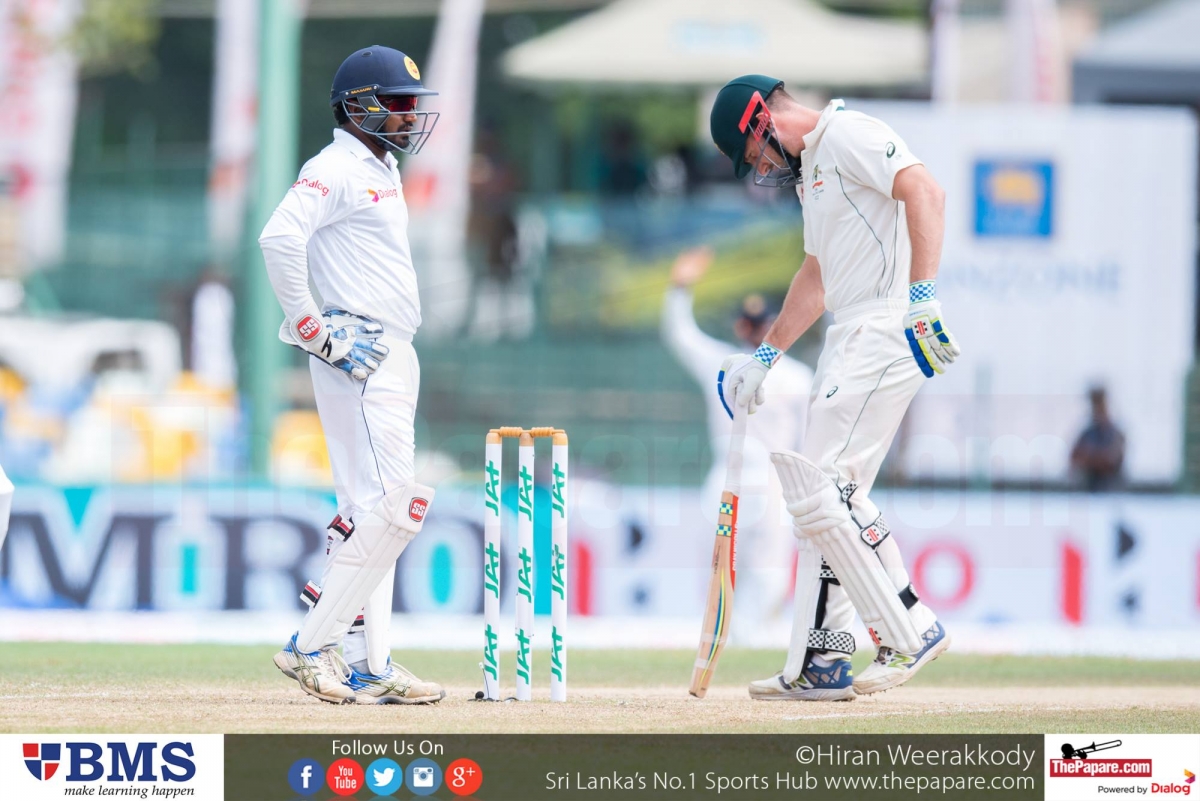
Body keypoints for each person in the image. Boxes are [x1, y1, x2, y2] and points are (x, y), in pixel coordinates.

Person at [709, 75, 961, 701]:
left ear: (760, 116)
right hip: (848, 331)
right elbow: (816, 277)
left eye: (754, 154)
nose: (762, 168)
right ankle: (823, 661)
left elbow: (925, 190)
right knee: (820, 505)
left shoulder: (848, 133)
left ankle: (909, 625)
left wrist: (922, 298)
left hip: (886, 322)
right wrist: (765, 356)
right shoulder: (813, 170)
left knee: (824, 493)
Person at [259, 45, 443, 705]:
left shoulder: (380, 166)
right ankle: (311, 644)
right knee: (395, 509)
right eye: (396, 103)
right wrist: (312, 329)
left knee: (373, 513)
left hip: (392, 348)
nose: (408, 115)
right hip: (360, 351)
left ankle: (371, 662)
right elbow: (279, 240)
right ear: (359, 105)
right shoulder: (335, 165)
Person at [662, 246, 812, 627]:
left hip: (774, 480)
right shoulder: (724, 363)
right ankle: (719, 638)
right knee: (720, 566)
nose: (758, 330)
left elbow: (809, 438)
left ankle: (753, 640)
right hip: (728, 474)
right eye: (752, 323)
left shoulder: (796, 377)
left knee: (768, 570)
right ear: (741, 327)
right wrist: (679, 288)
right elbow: (681, 335)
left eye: (764, 323)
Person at [1070, 387, 1125, 492]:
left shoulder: (1115, 434)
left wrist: (1089, 457)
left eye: (1100, 403)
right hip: (1089, 491)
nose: (1097, 408)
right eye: (1094, 404)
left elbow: (1111, 460)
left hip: (1111, 491)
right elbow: (1074, 458)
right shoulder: (1087, 433)